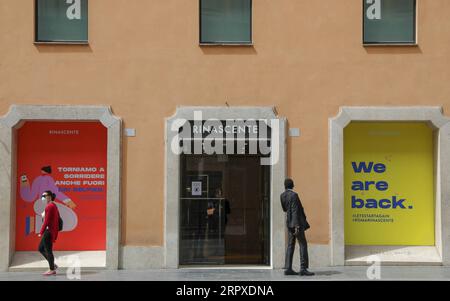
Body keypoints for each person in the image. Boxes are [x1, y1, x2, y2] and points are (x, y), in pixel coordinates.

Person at [20, 165, 78, 233]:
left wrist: (23, 180)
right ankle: (30, 225)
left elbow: (29, 196)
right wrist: (69, 201)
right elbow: (56, 192)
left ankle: (30, 224)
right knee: (70, 222)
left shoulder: (39, 179)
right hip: (44, 204)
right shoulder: (48, 179)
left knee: (68, 221)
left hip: (40, 204)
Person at [280, 178, 314, 276]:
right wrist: (296, 226)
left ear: (285, 186)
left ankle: (288, 268)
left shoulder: (282, 195)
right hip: (296, 224)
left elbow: (284, 209)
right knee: (303, 244)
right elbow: (295, 210)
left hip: (289, 223)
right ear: (293, 185)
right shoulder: (294, 195)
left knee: (290, 245)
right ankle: (303, 268)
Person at [38, 190, 61, 276]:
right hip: (50, 231)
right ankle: (53, 265)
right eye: (42, 195)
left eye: (44, 195)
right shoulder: (52, 205)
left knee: (48, 250)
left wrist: (41, 232)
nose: (43, 197)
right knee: (40, 248)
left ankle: (52, 269)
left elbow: (47, 221)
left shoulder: (50, 206)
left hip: (48, 231)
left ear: (49, 196)